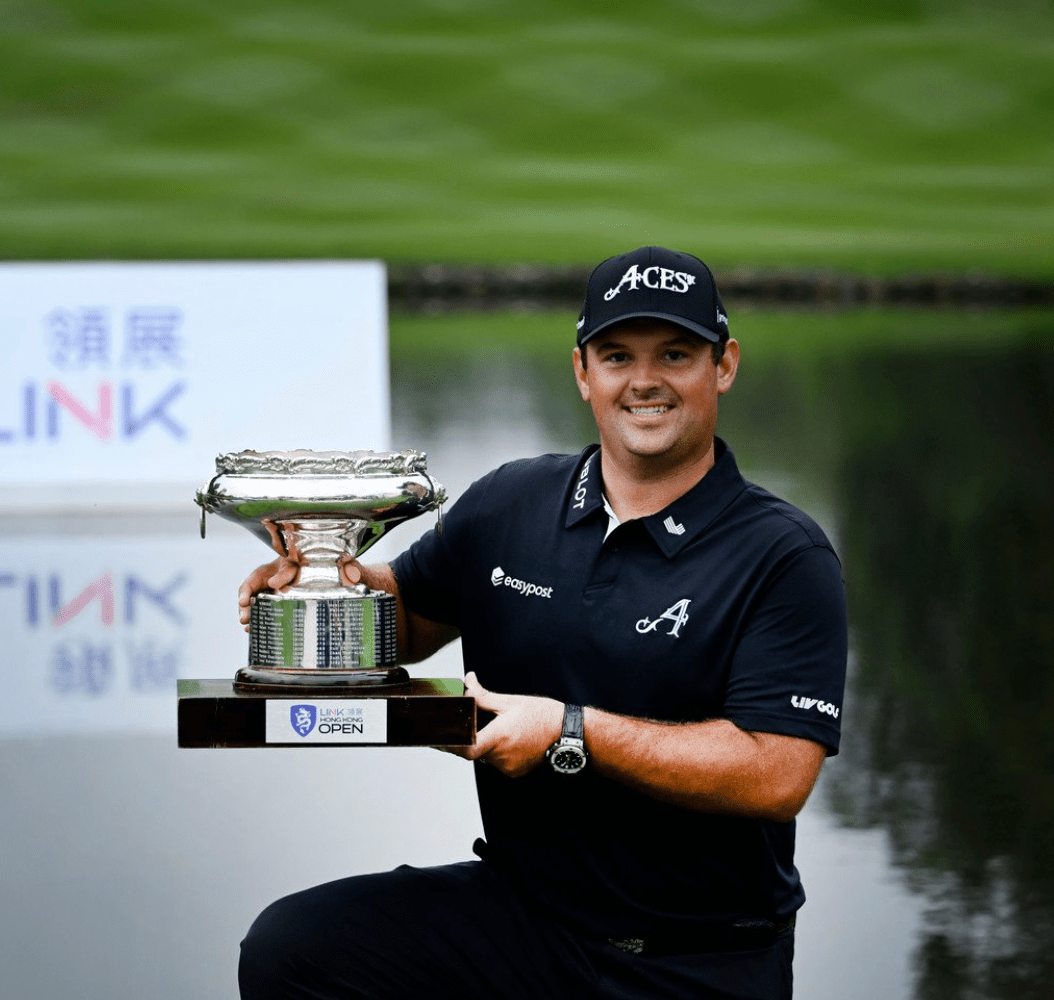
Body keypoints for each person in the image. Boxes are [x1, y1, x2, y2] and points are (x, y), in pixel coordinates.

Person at [235, 246, 848, 1000]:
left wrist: (569, 734)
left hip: (695, 961)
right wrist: (319, 594)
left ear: (723, 366)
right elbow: (405, 622)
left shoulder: (784, 554)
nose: (645, 381)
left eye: (677, 354)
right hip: (526, 922)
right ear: (583, 372)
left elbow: (776, 773)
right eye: (617, 355)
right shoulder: (511, 503)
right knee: (294, 951)